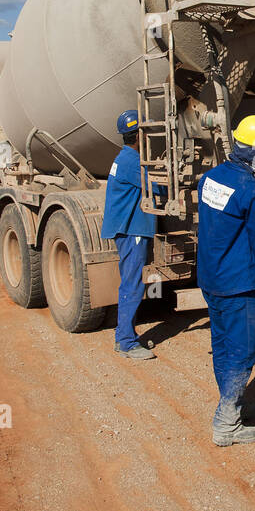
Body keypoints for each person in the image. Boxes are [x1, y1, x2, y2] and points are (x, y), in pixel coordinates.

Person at [196, 114, 255, 447]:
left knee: (222, 344)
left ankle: (235, 401)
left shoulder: (210, 179)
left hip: (211, 277)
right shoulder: (254, 192)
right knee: (244, 351)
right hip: (237, 284)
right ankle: (226, 422)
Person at [101, 109, 157, 360]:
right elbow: (156, 186)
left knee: (130, 282)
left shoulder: (123, 158)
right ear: (139, 136)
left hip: (129, 228)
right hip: (132, 229)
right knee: (132, 284)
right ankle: (126, 341)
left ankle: (123, 335)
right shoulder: (131, 162)